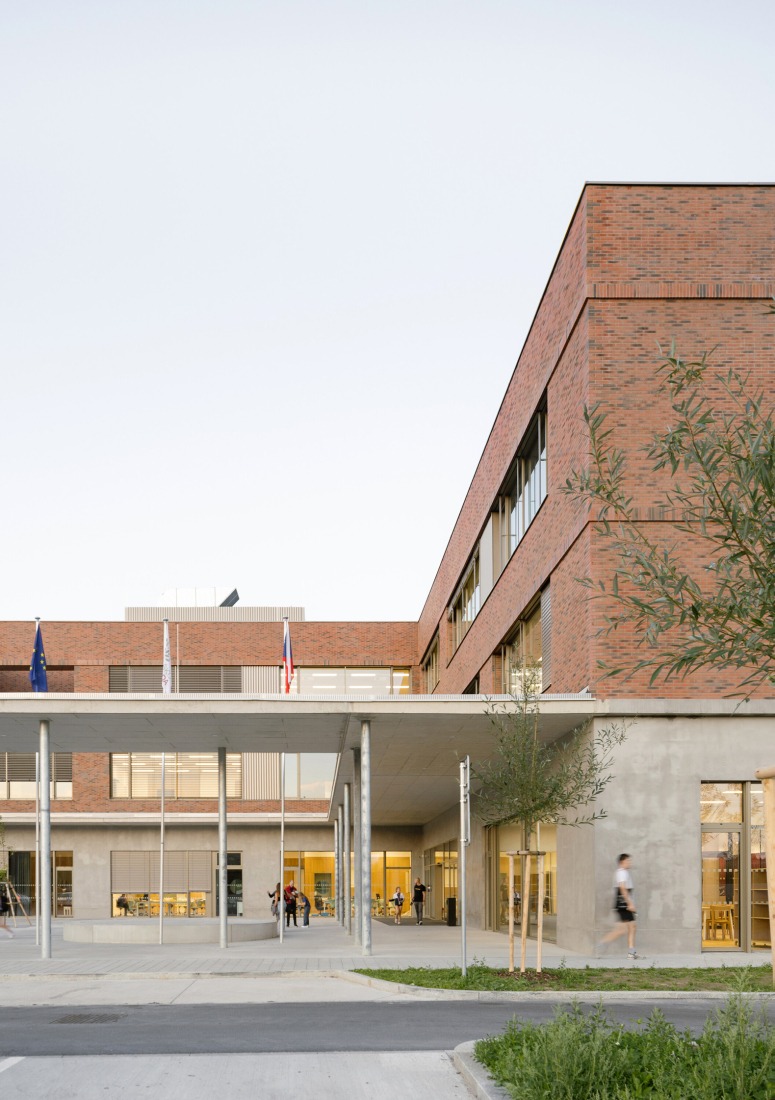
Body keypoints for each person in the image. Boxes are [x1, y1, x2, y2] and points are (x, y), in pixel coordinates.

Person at [598, 853, 639, 959]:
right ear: (622, 862)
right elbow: (622, 888)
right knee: (624, 929)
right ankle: (603, 944)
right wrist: (629, 903)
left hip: (622, 902)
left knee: (631, 926)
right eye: (628, 861)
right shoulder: (622, 872)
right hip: (623, 902)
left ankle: (631, 951)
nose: (630, 862)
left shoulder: (623, 872)